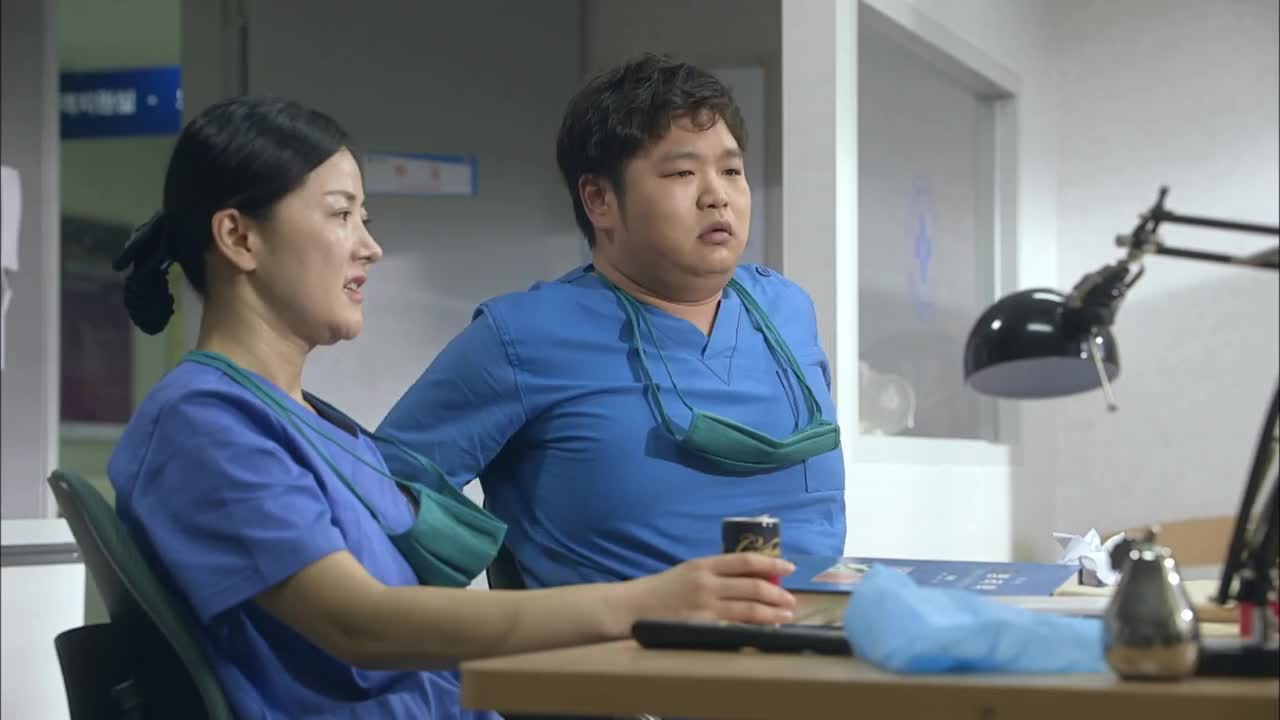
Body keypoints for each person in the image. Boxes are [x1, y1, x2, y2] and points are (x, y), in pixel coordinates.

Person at [107, 95, 797, 719]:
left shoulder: (316, 425)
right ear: (239, 238)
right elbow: (362, 624)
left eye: (365, 218)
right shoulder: (207, 425)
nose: (370, 247)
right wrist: (646, 601)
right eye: (341, 214)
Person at [376, 53, 846, 591]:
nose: (717, 195)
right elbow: (380, 494)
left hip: (818, 632)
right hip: (615, 642)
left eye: (732, 171)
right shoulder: (523, 337)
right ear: (599, 199)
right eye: (683, 172)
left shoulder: (787, 311)